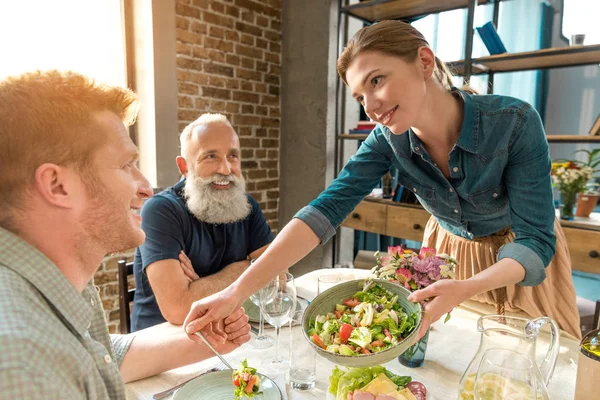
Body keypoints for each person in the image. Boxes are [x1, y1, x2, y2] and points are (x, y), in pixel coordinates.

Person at [182, 20, 581, 342]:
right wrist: (235, 292)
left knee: (534, 366)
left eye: (377, 81)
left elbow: (536, 241)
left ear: (424, 62)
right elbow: (324, 211)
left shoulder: (513, 122)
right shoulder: (387, 140)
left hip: (518, 260)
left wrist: (467, 287)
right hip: (450, 257)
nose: (370, 107)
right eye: (359, 96)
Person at [0, 70, 251, 399]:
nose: (146, 187)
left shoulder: (54, 282)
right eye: (126, 165)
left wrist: (205, 339)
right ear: (57, 186)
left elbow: (102, 354)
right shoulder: (22, 366)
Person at [131, 113, 273, 331]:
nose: (225, 169)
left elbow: (277, 277)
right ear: (184, 167)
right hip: (164, 344)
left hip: (223, 332)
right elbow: (178, 308)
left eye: (233, 156)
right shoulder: (160, 211)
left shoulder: (248, 207)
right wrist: (249, 268)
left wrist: (198, 286)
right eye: (211, 157)